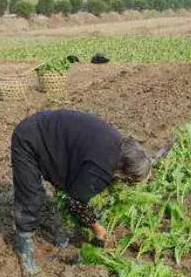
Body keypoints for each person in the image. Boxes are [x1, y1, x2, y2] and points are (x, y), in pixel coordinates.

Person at [10, 109, 151, 276]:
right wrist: (97, 229)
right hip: (30, 137)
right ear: (125, 173)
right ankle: (24, 245)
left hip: (51, 129)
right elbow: (75, 202)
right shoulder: (102, 167)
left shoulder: (119, 144)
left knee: (68, 184)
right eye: (128, 182)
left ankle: (52, 229)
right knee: (31, 196)